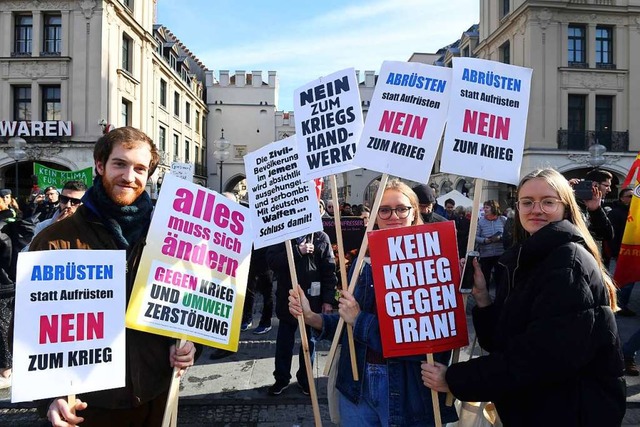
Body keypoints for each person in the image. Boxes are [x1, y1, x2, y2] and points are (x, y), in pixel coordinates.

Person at [422, 168, 626, 426]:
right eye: (527, 202)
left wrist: (455, 379)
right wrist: (483, 298)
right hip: (541, 406)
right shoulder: (529, 256)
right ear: (517, 208)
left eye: (548, 202)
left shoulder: (566, 261)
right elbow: (505, 339)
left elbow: (539, 358)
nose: (536, 209)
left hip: (569, 411)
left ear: (565, 207)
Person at [30, 127, 197, 426]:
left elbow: (191, 301)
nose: (129, 176)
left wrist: (190, 344)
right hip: (88, 406)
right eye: (120, 164)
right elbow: (31, 326)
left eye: (140, 168)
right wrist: (48, 396)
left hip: (157, 396)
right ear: (99, 165)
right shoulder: (56, 240)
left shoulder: (170, 237)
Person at [289, 179, 457, 426]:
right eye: (385, 209)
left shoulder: (433, 261)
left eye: (401, 208)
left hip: (407, 391)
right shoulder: (364, 261)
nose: (393, 216)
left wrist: (360, 320)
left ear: (414, 212)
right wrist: (312, 317)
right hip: (356, 385)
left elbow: (429, 342)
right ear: (375, 214)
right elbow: (349, 321)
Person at [266, 231, 337, 396]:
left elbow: (329, 271)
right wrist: (298, 251)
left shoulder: (321, 237)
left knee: (309, 343)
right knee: (284, 342)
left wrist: (328, 300)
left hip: (312, 302)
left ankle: (305, 380)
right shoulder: (282, 234)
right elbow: (271, 261)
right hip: (288, 300)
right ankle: (281, 379)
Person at [608, 187, 636, 317]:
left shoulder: (636, 212)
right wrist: (615, 252)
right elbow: (612, 235)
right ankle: (619, 305)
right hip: (623, 250)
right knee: (626, 279)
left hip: (635, 249)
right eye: (629, 196)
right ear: (621, 198)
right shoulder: (616, 213)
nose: (632, 199)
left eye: (633, 196)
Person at [0, 199, 15, 390]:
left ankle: (6, 370)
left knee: (2, 328)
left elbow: (8, 257)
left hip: (4, 287)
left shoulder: (5, 228)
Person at [475, 200, 506, 288]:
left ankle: (499, 300)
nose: (485, 209)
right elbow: (476, 237)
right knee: (485, 279)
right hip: (486, 254)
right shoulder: (481, 221)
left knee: (500, 279)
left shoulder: (503, 220)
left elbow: (508, 235)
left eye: (487, 207)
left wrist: (500, 238)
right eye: (484, 207)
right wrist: (484, 240)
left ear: (493, 208)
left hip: (500, 253)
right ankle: (486, 300)